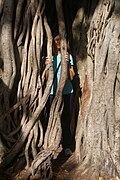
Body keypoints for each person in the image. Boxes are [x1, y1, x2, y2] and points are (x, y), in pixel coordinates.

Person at [45, 33, 75, 156]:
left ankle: (66, 145)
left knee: (66, 119)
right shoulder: (48, 57)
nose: (59, 42)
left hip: (67, 92)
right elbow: (47, 79)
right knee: (52, 118)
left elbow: (71, 77)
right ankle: (51, 145)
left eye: (61, 39)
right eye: (56, 39)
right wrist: (48, 66)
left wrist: (67, 64)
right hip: (52, 93)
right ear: (52, 41)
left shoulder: (69, 56)